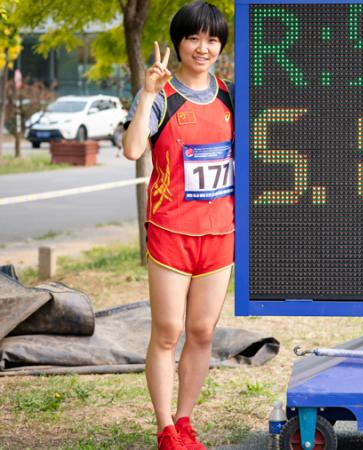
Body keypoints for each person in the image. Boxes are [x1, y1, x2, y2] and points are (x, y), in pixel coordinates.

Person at [122, 2, 233, 449]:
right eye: (193, 38)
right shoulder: (162, 96)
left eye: (211, 40)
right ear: (179, 43)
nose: (202, 48)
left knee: (203, 331)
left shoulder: (230, 95)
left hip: (219, 234)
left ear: (220, 46)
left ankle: (186, 421)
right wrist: (147, 92)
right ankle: (165, 428)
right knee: (167, 333)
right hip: (171, 234)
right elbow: (132, 151)